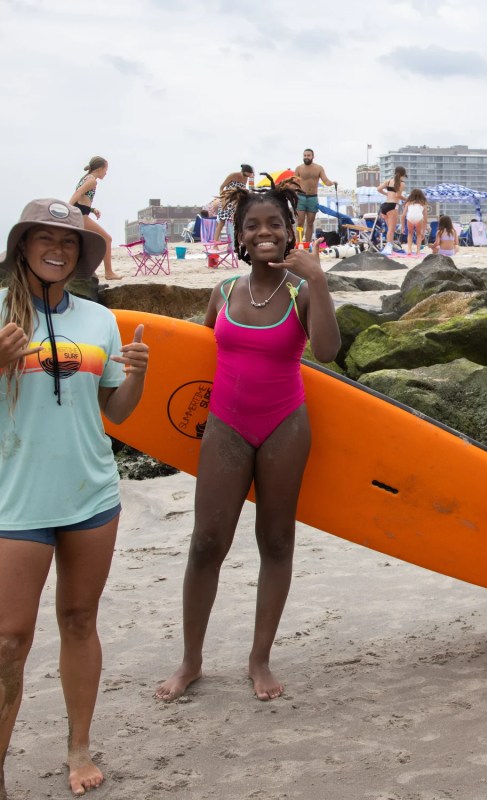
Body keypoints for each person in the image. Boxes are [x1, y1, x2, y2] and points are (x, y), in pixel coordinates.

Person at [155, 180, 341, 704]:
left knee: (276, 541)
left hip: (285, 424)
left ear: (290, 234)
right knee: (206, 544)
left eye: (275, 225)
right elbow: (196, 354)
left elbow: (326, 352)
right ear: (239, 236)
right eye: (253, 225)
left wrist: (321, 283)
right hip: (226, 426)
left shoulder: (302, 293)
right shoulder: (224, 291)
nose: (265, 232)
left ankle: (259, 659)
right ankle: (190, 661)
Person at [0, 199, 149, 797]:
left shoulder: (98, 320)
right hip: (16, 502)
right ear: (23, 246)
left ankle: (78, 748)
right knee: (10, 638)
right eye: (44, 239)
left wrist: (136, 374)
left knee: (80, 620)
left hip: (91, 495)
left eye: (69, 242)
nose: (57, 250)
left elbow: (114, 413)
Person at [68, 156, 121, 281]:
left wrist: (92, 210)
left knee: (84, 244)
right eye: (106, 169)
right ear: (101, 168)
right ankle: (109, 273)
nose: (106, 173)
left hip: (81, 214)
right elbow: (77, 194)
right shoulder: (92, 180)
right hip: (81, 217)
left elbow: (82, 199)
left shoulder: (86, 178)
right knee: (107, 239)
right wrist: (67, 209)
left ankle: (80, 271)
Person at [295, 149, 336, 244]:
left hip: (313, 197)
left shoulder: (319, 168)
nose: (306, 157)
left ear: (313, 156)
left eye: (308, 155)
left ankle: (307, 244)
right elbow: (294, 182)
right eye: (304, 155)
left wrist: (332, 183)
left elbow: (325, 181)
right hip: (301, 197)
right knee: (300, 222)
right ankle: (299, 242)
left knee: (310, 223)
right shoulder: (299, 168)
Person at [214, 164, 255, 242]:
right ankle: (215, 243)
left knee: (236, 223)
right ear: (245, 171)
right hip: (226, 200)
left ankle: (233, 243)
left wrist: (245, 190)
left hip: (236, 203)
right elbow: (221, 187)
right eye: (249, 173)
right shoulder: (232, 175)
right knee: (221, 223)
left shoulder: (246, 178)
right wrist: (223, 200)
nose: (250, 175)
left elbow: (245, 189)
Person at [377, 166, 407, 255]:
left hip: (385, 205)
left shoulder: (389, 181)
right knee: (391, 229)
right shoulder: (401, 183)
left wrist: (387, 193)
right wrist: (407, 199)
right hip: (393, 205)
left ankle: (390, 246)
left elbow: (378, 189)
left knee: (389, 229)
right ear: (403, 174)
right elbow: (398, 196)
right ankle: (389, 248)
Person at [401, 188, 428, 257]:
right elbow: (425, 218)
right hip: (419, 218)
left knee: (410, 234)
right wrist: (423, 231)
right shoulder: (423, 203)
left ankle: (409, 250)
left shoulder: (408, 203)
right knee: (419, 235)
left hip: (410, 218)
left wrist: (403, 227)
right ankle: (418, 251)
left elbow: (403, 215)